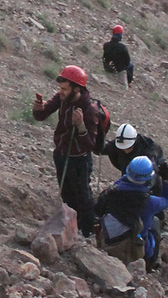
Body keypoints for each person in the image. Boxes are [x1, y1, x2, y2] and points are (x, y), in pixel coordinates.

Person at [31, 65, 110, 237]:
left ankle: (87, 231)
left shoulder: (89, 110)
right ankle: (71, 229)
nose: (60, 92)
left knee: (83, 198)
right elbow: (42, 115)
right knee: (67, 194)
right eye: (60, 88)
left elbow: (90, 143)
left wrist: (80, 125)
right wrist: (38, 109)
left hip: (79, 160)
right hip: (62, 154)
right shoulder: (62, 98)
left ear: (76, 89)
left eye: (64, 89)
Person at [93, 155, 168, 268]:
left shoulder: (113, 191)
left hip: (107, 241)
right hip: (130, 249)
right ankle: (149, 263)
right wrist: (165, 180)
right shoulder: (149, 202)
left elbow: (98, 211)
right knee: (154, 222)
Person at [102, 24, 134, 88]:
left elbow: (105, 57)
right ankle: (129, 82)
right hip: (120, 68)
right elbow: (128, 60)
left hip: (108, 67)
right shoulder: (122, 47)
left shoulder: (106, 45)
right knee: (131, 66)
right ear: (120, 35)